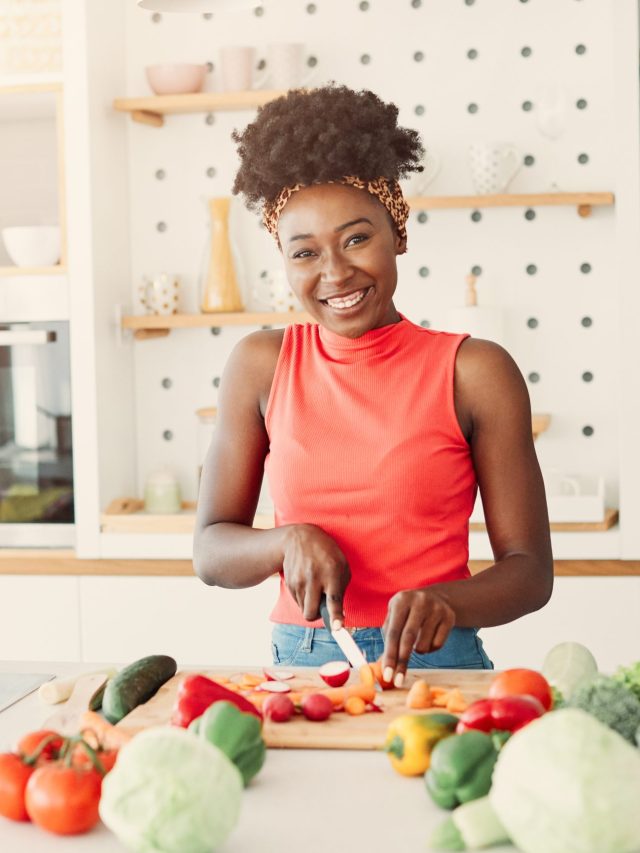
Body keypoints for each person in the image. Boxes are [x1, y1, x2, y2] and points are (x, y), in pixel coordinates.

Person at [194, 85, 553, 685]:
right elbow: (210, 552)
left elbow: (530, 571)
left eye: (357, 239)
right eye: (305, 253)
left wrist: (448, 601)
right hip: (300, 669)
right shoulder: (261, 364)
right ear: (284, 261)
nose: (335, 273)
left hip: (437, 665)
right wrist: (286, 542)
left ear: (399, 233)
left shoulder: (475, 372)